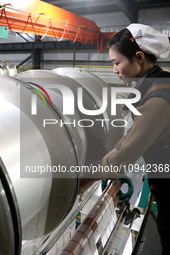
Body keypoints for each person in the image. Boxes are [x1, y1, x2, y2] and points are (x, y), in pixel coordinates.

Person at [96, 23, 170, 254]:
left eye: (117, 63)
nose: (115, 69)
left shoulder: (157, 98)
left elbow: (127, 153)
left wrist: (85, 180)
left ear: (138, 58)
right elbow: (129, 139)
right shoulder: (156, 83)